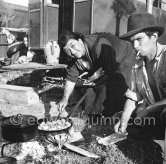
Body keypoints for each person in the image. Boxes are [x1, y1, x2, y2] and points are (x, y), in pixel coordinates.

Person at [57, 31, 135, 119]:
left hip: (123, 55)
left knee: (117, 83)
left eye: (72, 45)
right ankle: (95, 113)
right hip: (105, 61)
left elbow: (111, 71)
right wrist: (65, 99)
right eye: (67, 50)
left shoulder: (99, 45)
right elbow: (71, 79)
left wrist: (96, 82)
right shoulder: (73, 58)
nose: (73, 52)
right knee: (91, 89)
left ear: (80, 41)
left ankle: (119, 113)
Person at [114, 13, 166, 140]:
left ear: (154, 36)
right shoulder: (137, 63)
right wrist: (124, 119)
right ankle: (156, 135)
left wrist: (148, 109)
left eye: (139, 39)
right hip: (154, 113)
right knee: (119, 118)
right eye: (132, 41)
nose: (135, 46)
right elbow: (133, 96)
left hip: (160, 111)